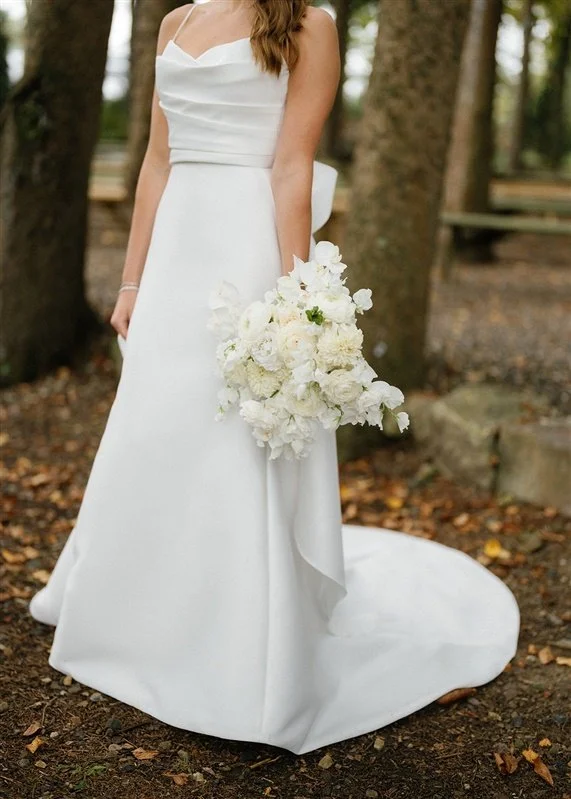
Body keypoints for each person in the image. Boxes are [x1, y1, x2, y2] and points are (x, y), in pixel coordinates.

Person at [29, 0, 520, 755]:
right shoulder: (175, 23)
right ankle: (136, 612)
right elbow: (158, 162)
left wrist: (299, 300)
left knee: (233, 434)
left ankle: (236, 644)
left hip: (243, 251)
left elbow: (292, 166)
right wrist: (132, 284)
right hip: (175, 257)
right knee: (160, 426)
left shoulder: (305, 24)